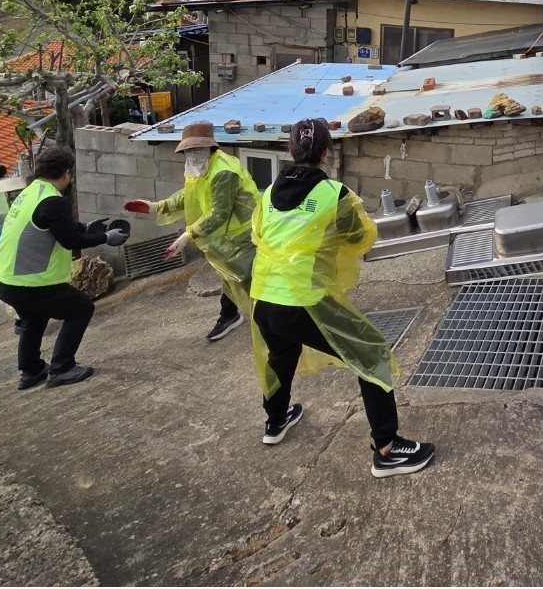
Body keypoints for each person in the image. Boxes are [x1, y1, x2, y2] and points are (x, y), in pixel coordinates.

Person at [248, 117, 435, 478]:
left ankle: (275, 421)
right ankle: (387, 449)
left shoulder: (268, 193)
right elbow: (360, 237)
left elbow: (258, 235)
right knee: (371, 354)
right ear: (326, 153)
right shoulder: (335, 194)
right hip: (303, 298)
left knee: (282, 356)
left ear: (290, 150)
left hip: (263, 298)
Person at [0, 146, 128, 390]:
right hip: (30, 282)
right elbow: (70, 240)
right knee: (80, 308)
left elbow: (54, 227)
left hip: (4, 280)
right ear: (66, 173)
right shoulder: (54, 200)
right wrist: (106, 237)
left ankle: (31, 371)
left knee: (34, 318)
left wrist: (87, 227)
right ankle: (62, 369)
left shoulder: (30, 192)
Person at [123, 121, 258, 342]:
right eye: (188, 150)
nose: (192, 154)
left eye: (197, 149)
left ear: (209, 147)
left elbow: (219, 213)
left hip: (241, 232)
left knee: (248, 277)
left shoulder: (223, 172)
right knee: (229, 276)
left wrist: (187, 236)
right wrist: (157, 206)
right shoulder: (200, 168)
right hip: (224, 234)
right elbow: (189, 195)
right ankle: (231, 315)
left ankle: (274, 320)